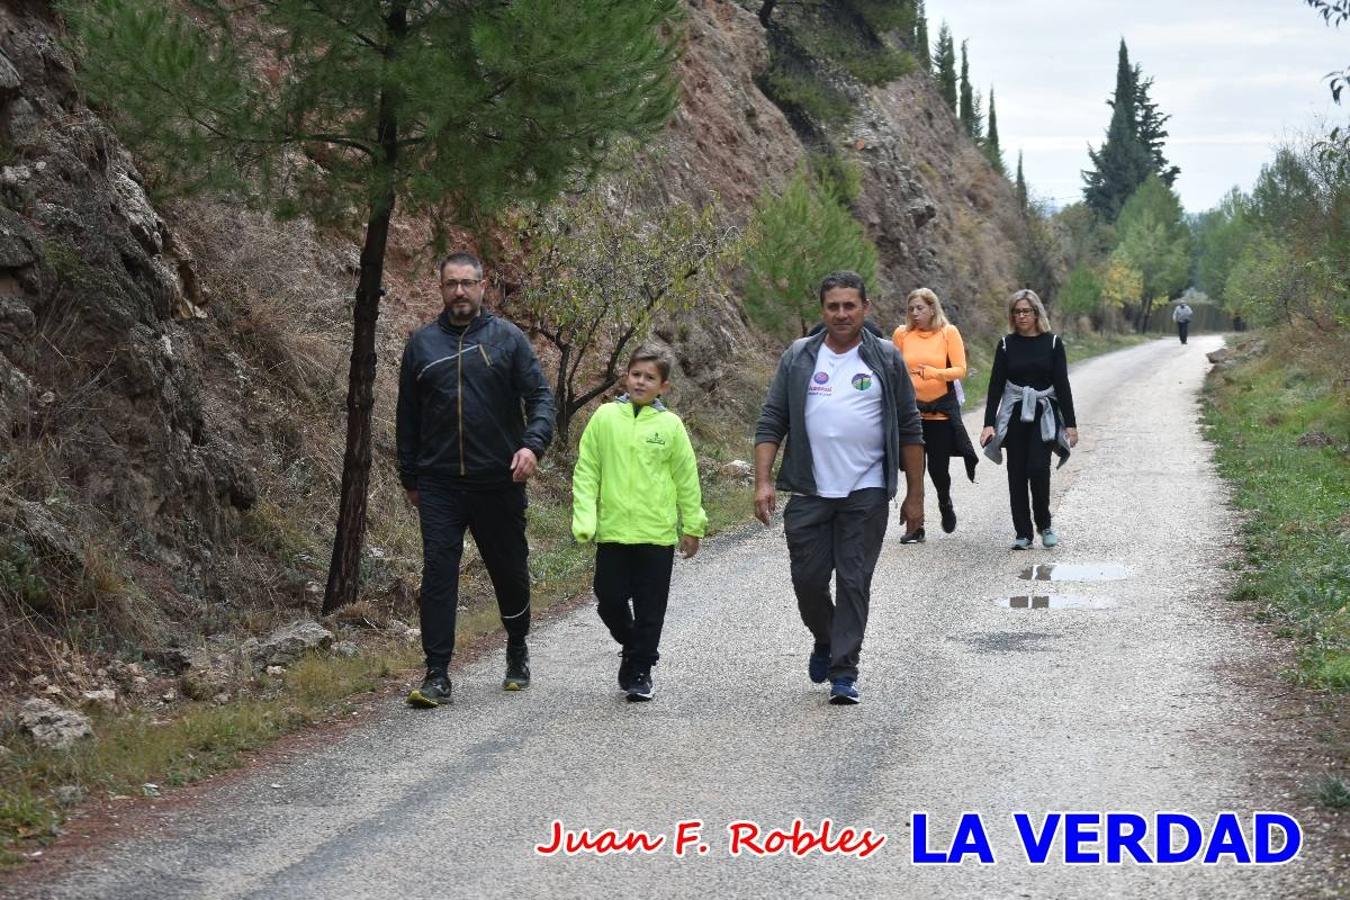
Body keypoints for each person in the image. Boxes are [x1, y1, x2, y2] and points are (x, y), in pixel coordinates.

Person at [754, 271, 925, 706]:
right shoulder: (799, 357)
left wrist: (915, 496)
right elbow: (772, 420)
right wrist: (763, 480)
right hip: (810, 490)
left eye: (850, 305)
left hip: (865, 491)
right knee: (808, 581)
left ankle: (844, 671)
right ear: (823, 310)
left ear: (866, 309)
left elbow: (910, 428)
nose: (842, 313)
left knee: (853, 581)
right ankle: (826, 638)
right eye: (834, 306)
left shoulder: (885, 358)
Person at [396, 251, 555, 707]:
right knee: (439, 575)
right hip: (440, 483)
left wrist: (532, 446)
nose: (460, 291)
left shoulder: (508, 340)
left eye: (468, 283)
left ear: (484, 287)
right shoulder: (421, 345)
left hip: (498, 480)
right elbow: (407, 417)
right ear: (441, 288)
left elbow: (541, 399)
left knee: (508, 571)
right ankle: (437, 674)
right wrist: (411, 476)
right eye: (452, 284)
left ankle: (518, 647)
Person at [571, 346, 706, 702]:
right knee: (608, 599)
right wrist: (585, 516)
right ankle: (634, 646)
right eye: (636, 375)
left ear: (663, 387)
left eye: (650, 378)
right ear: (625, 376)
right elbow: (587, 471)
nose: (641, 382)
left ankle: (641, 671)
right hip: (613, 531)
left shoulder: (670, 426)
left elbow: (686, 478)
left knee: (650, 608)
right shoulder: (603, 419)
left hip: (656, 534)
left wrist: (692, 525)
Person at [978, 289, 1079, 551]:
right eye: (1017, 312)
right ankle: (1023, 533)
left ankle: (1044, 525)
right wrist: (989, 423)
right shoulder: (1005, 344)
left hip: (1043, 415)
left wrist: (1071, 424)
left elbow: (1062, 385)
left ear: (1037, 313)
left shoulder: (1053, 343)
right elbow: (996, 385)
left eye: (1026, 311)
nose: (1022, 316)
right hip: (1014, 416)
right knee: (1016, 473)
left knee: (1038, 468)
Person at [891, 288, 979, 541]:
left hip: (939, 413)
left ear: (932, 308)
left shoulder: (948, 332)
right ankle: (916, 527)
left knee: (938, 470)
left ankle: (945, 501)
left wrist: (934, 373)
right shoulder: (902, 334)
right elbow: (894, 369)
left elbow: (960, 369)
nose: (915, 313)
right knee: (913, 473)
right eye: (911, 309)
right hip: (911, 414)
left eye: (920, 308)